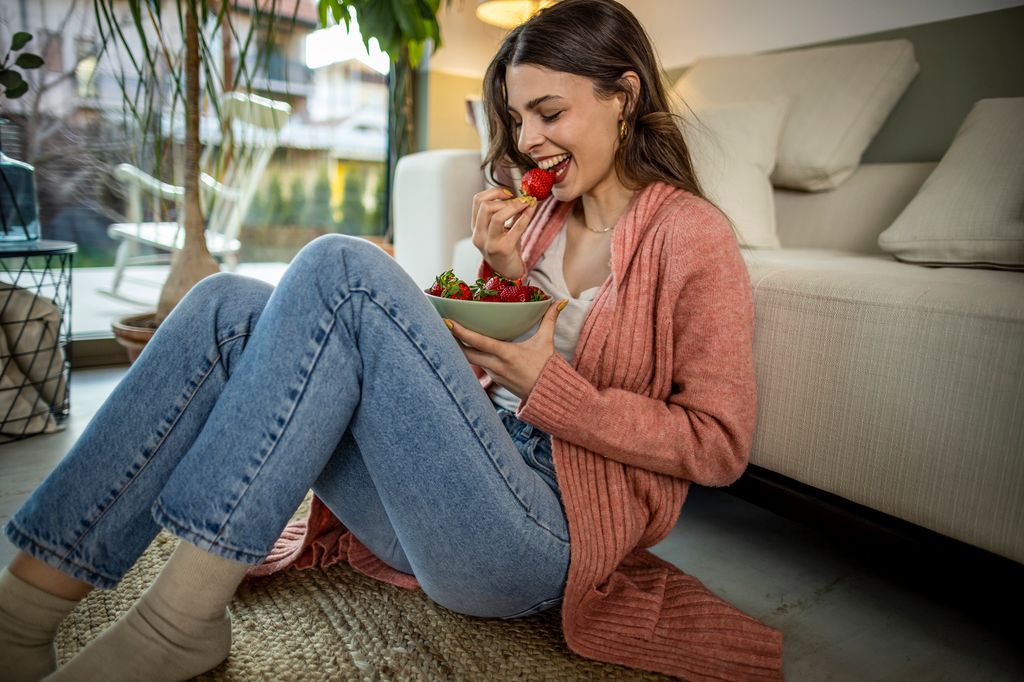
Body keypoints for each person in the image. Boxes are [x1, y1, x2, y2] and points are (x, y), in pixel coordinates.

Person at [0, 0, 783, 679]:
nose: (527, 140)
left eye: (549, 113)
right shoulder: (538, 221)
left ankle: (176, 623)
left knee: (344, 266)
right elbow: (466, 380)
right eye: (516, 119)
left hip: (546, 537)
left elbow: (718, 446)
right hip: (460, 493)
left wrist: (553, 385)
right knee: (224, 307)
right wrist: (504, 276)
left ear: (624, 96)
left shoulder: (691, 236)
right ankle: (22, 618)